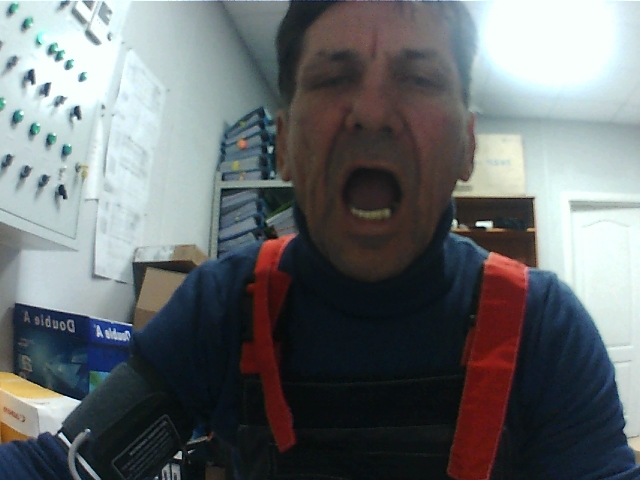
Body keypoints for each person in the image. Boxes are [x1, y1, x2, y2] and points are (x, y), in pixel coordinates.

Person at [1, 1, 639, 479]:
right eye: (334, 78)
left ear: (467, 145)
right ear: (282, 144)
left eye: (419, 79)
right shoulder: (222, 307)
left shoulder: (544, 327)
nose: (372, 113)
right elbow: (65, 468)